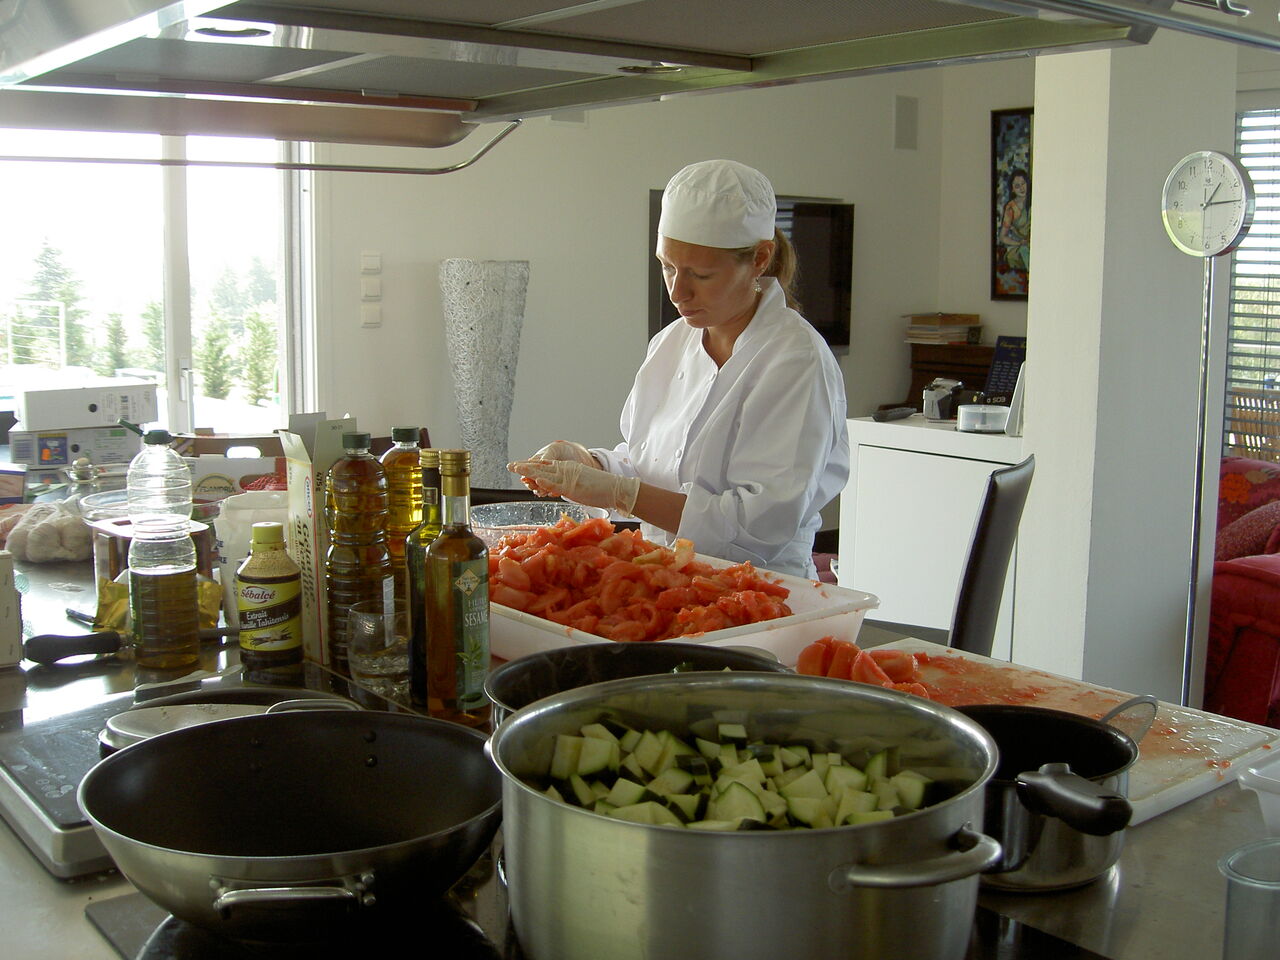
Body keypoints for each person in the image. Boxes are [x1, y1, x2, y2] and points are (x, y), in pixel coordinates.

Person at [510, 159, 849, 579]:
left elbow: (759, 527)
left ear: (760, 258)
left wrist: (620, 493)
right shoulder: (671, 343)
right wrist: (589, 465)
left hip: (761, 587)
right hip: (664, 577)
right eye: (667, 266)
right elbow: (651, 465)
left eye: (700, 275)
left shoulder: (795, 360)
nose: (677, 291)